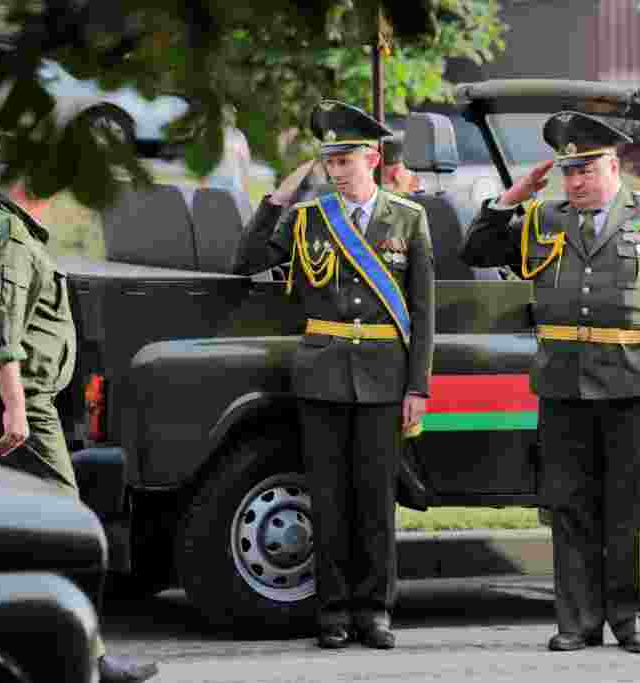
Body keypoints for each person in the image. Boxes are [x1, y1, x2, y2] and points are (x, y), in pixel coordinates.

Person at [461, 112, 640, 654]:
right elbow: (477, 252)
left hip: (633, 382)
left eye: (586, 170)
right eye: (567, 172)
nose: (574, 182)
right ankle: (577, 620)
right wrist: (513, 196)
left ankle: (633, 618)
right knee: (569, 506)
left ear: (613, 165)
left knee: (633, 505)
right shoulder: (544, 218)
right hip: (563, 383)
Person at [231, 99, 434, 650]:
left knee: (374, 501)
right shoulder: (308, 217)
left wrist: (418, 385)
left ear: (373, 157)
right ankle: (333, 612)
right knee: (328, 498)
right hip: (323, 374)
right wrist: (279, 196)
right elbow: (247, 260)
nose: (337, 170)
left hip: (384, 377)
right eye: (330, 161)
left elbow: (423, 310)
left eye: (346, 159)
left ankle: (374, 611)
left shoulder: (408, 219)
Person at [0, 134, 159, 683]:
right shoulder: (8, 238)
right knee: (71, 528)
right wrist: (18, 411)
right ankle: (87, 658)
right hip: (11, 403)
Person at [204, 104, 252, 196]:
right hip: (215, 180)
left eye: (232, 114)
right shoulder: (212, 134)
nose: (229, 117)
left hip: (231, 182)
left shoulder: (238, 135)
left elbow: (245, 162)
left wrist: (245, 187)